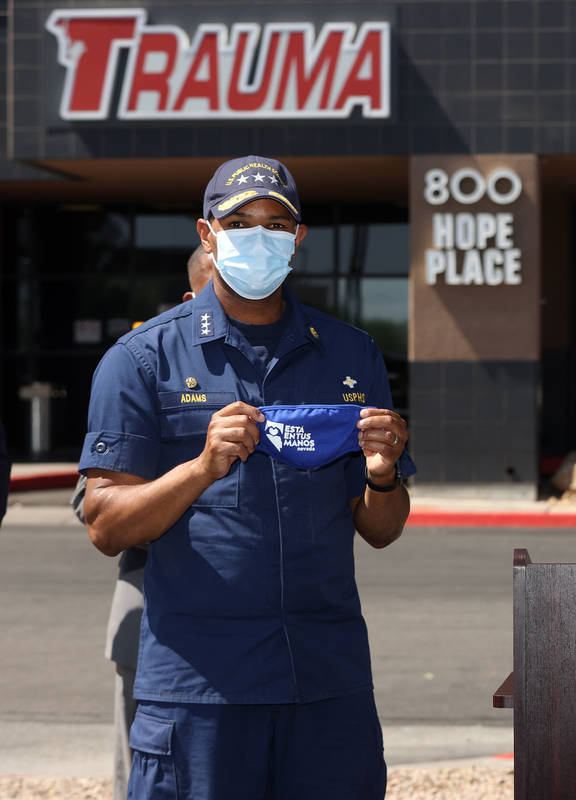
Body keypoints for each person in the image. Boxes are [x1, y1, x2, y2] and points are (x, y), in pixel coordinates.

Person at [79, 155, 411, 800]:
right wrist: (201, 469)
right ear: (207, 234)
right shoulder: (142, 358)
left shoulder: (350, 353)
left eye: (275, 223)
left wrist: (384, 476)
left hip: (327, 679)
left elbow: (383, 530)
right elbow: (106, 525)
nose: (259, 237)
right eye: (239, 222)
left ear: (298, 238)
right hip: (201, 687)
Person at [71, 244, 213, 800]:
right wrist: (189, 476)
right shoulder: (144, 369)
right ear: (189, 300)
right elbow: (94, 504)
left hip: (255, 633)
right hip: (153, 615)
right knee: (147, 773)